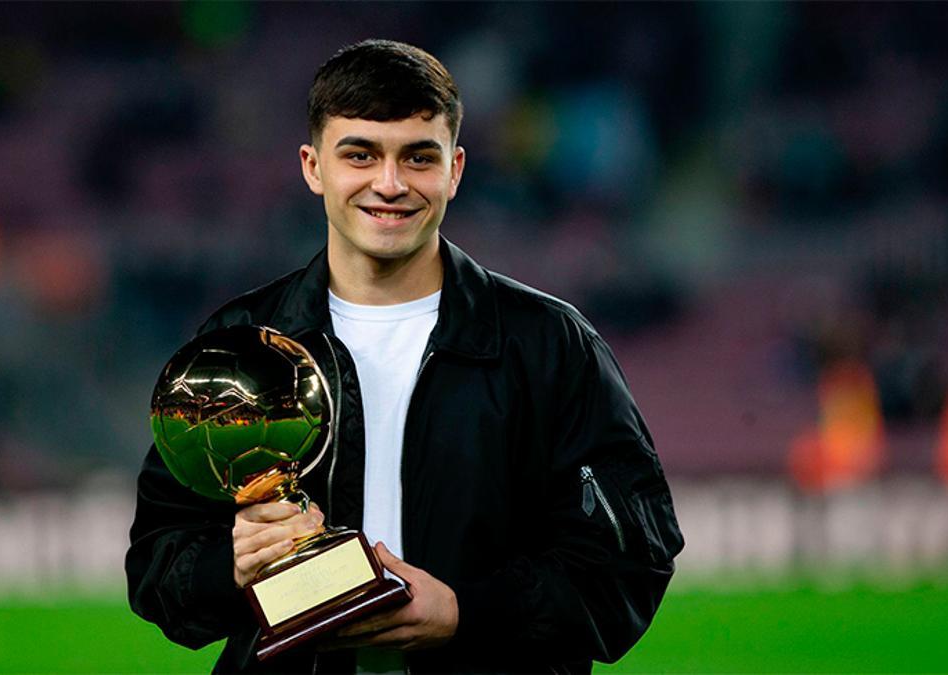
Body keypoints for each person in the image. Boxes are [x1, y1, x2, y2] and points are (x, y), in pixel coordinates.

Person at [126, 39, 683, 674]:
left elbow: (628, 561)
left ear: (456, 169)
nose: (388, 184)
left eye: (418, 157)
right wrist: (230, 568)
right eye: (359, 154)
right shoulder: (241, 339)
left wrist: (463, 612)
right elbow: (156, 565)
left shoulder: (549, 345)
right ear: (313, 167)